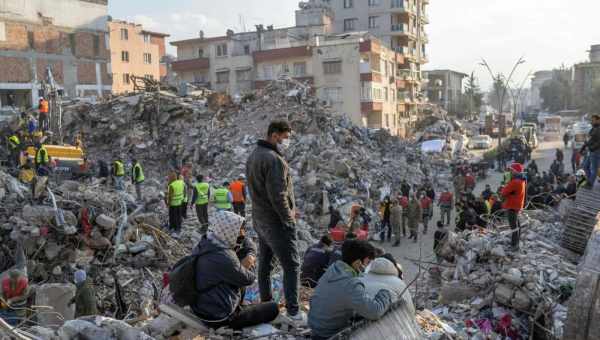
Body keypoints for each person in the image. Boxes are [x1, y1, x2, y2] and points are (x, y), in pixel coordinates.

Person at [246, 121, 304, 323]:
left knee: (265, 264)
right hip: (276, 222)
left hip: (260, 219)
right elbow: (278, 195)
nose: (286, 142)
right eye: (285, 137)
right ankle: (294, 312)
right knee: (292, 265)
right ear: (274, 135)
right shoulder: (274, 160)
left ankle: (266, 305)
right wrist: (288, 219)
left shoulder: (254, 155)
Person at [191, 211, 279, 329]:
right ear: (229, 232)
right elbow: (249, 279)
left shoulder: (205, 243)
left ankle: (239, 305)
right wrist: (251, 256)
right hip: (218, 318)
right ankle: (236, 313)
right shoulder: (225, 257)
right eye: (239, 235)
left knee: (236, 272)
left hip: (200, 309)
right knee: (273, 308)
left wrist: (243, 246)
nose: (241, 238)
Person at [308, 240, 393, 340]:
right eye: (367, 262)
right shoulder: (350, 284)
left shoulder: (334, 269)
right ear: (358, 262)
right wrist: (385, 293)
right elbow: (375, 312)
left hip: (316, 328)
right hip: (329, 335)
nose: (367, 266)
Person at [501, 163, 527, 250]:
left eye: (512, 170)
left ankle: (514, 245)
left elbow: (503, 192)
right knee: (517, 224)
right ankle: (517, 242)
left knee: (514, 227)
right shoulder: (521, 180)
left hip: (512, 205)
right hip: (517, 205)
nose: (510, 172)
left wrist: (506, 182)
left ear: (516, 171)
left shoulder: (515, 182)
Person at [581, 114, 600, 189]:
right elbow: (588, 140)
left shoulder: (598, 129)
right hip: (591, 151)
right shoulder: (593, 128)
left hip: (595, 151)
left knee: (594, 169)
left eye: (593, 120)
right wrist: (583, 148)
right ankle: (589, 181)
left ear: (598, 120)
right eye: (591, 120)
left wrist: (592, 148)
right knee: (585, 166)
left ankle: (590, 184)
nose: (592, 121)